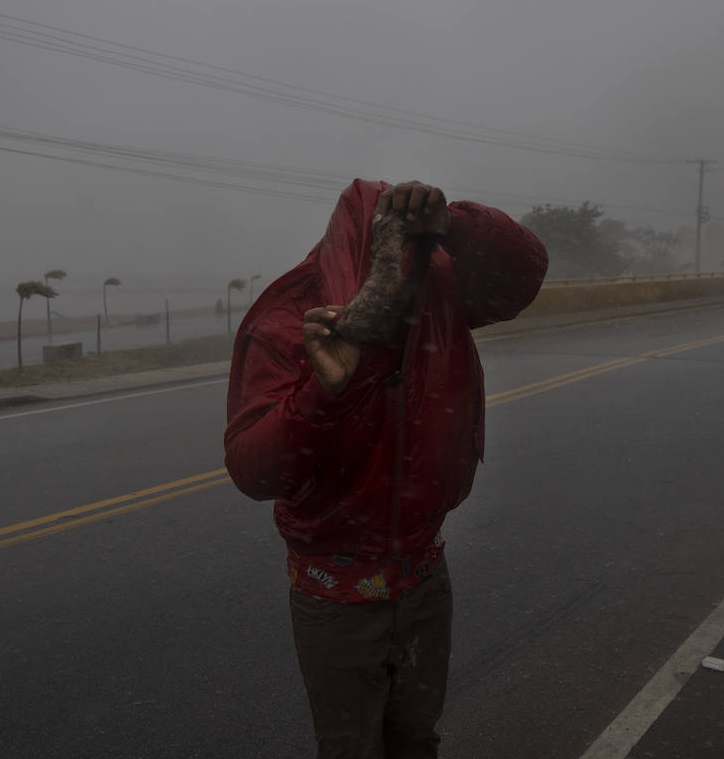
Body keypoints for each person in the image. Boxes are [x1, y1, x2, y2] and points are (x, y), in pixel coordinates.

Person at [223, 178, 548, 758]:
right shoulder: (286, 323)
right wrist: (326, 392)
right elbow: (255, 470)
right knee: (351, 748)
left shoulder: (438, 291)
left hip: (423, 572)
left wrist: (456, 224)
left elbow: (520, 278)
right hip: (334, 593)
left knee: (416, 738)